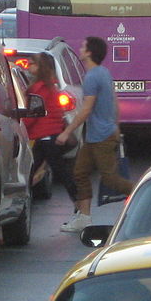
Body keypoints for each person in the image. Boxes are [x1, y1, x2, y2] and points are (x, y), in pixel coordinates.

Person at [56, 36, 135, 232]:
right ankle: (83, 217)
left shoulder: (92, 77)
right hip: (98, 135)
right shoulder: (104, 73)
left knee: (109, 179)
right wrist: (115, 125)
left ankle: (147, 198)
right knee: (80, 173)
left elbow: (86, 109)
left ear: (89, 52)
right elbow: (115, 102)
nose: (80, 48)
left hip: (101, 136)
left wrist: (67, 132)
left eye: (83, 46)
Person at [23, 53, 78, 205]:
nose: (28, 66)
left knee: (60, 171)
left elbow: (33, 114)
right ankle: (78, 203)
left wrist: (21, 129)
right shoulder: (50, 87)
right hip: (50, 135)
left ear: (40, 67)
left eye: (32, 63)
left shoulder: (38, 89)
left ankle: (79, 204)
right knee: (39, 169)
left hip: (45, 136)